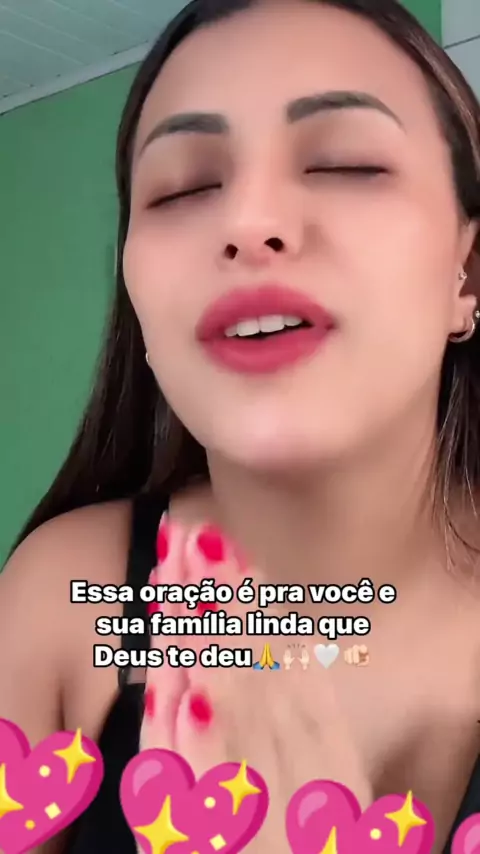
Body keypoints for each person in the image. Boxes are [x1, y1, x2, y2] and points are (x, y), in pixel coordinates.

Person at [1, 0, 480, 850]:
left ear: (466, 275)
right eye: (184, 186)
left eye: (344, 163)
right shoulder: (63, 597)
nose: (248, 223)